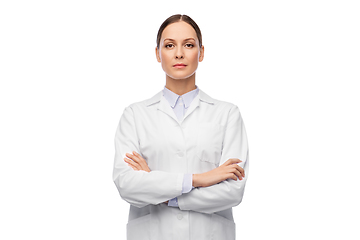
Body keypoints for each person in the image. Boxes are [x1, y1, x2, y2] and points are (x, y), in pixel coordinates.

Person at [113, 14, 249, 240]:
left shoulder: (227, 114)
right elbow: (128, 185)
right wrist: (198, 179)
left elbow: (232, 191)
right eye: (169, 45)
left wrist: (164, 193)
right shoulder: (135, 115)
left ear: (201, 52)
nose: (179, 53)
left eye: (188, 44)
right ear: (157, 53)